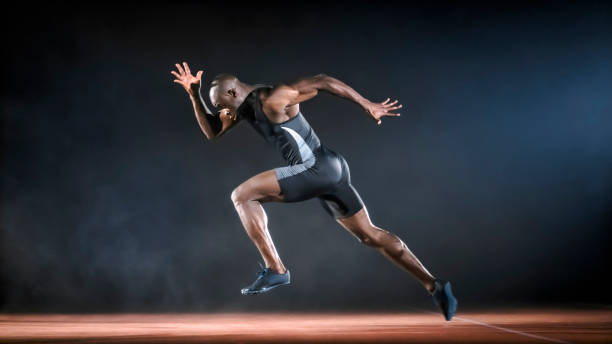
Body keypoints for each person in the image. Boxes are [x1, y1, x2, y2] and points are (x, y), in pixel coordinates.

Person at [171, 62, 457, 320]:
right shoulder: (242, 105)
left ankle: (277, 271)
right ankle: (435, 285)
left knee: (242, 195)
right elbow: (212, 131)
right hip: (331, 169)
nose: (226, 114)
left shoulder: (273, 98)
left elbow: (321, 80)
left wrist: (365, 103)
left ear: (233, 94)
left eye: (225, 107)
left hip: (317, 168)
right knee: (369, 235)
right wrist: (193, 94)